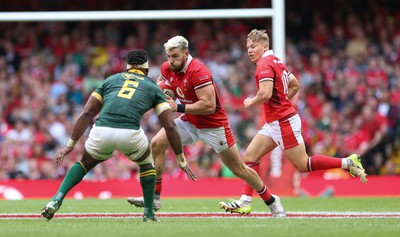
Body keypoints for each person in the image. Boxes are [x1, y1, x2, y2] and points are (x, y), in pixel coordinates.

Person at [127, 35, 286, 218]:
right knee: (156, 143)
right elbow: (169, 88)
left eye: (175, 56)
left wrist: (177, 106)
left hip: (213, 125)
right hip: (190, 121)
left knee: (238, 169)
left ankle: (272, 201)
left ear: (186, 54)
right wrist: (164, 94)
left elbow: (209, 106)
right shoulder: (167, 67)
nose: (171, 61)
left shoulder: (198, 71)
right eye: (169, 56)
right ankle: (154, 196)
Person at [219, 29, 368, 215]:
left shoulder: (264, 64)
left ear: (265, 46)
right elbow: (295, 85)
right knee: (250, 156)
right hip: (276, 121)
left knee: (302, 165)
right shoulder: (277, 62)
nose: (249, 50)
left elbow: (264, 93)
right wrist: (282, 101)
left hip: (283, 122)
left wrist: (251, 101)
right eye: (248, 47)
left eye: (253, 46)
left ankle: (348, 162)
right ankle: (245, 201)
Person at [40, 49, 196, 222]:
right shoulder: (153, 87)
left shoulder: (110, 80)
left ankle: (56, 199)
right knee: (146, 165)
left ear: (128, 67)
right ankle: (149, 213)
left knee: (84, 163)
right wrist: (181, 159)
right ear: (146, 68)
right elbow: (170, 126)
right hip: (130, 133)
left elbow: (86, 113)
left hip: (102, 130)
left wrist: (70, 144)